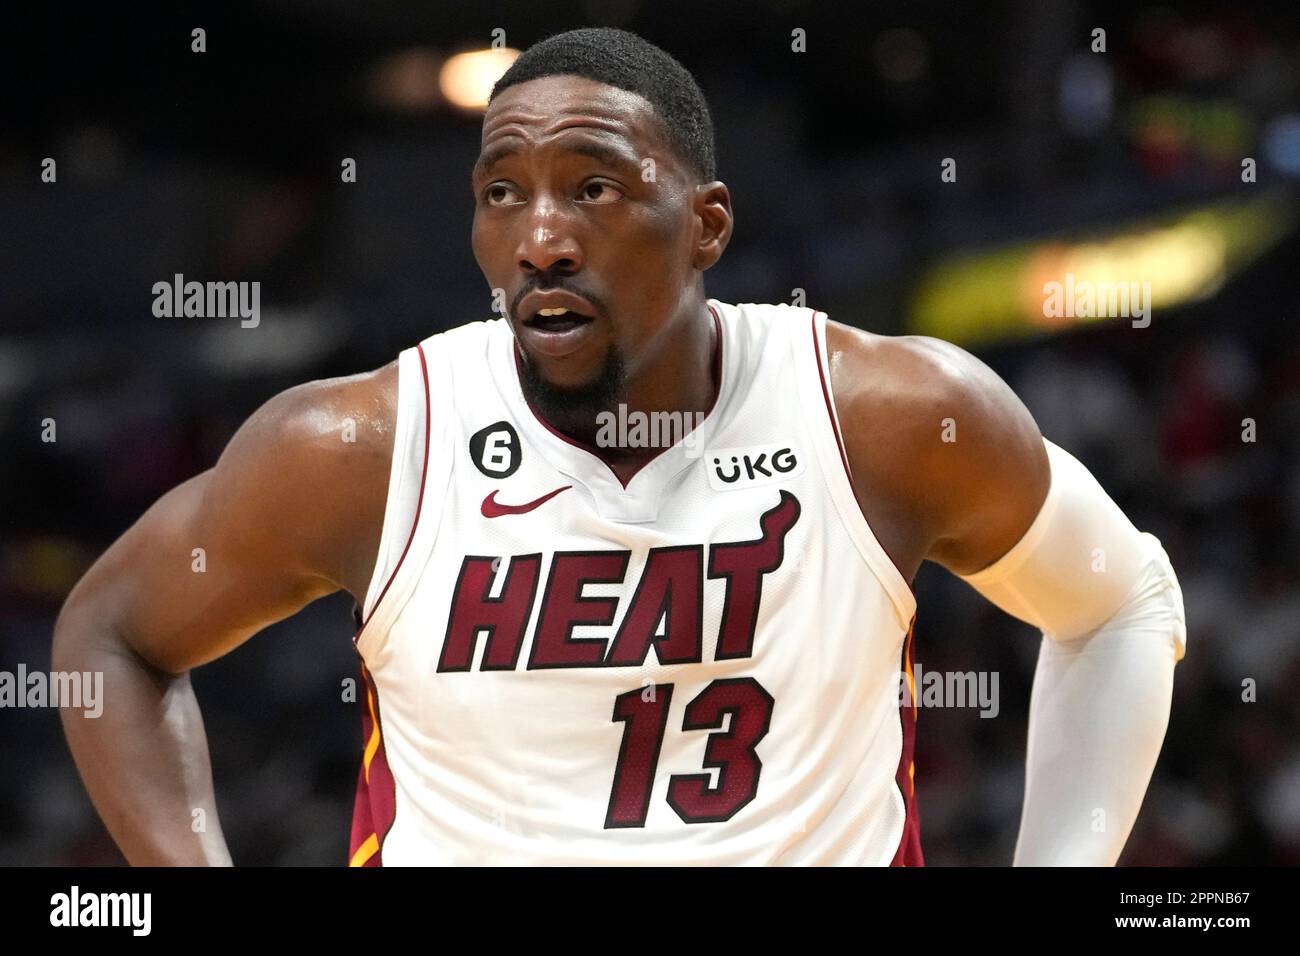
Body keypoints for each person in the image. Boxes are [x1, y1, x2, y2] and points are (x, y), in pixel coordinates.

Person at [54, 27, 1186, 866]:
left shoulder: (886, 417)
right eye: (503, 193)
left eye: (591, 187)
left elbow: (1121, 600)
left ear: (705, 226)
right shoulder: (361, 445)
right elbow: (110, 635)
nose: (540, 238)